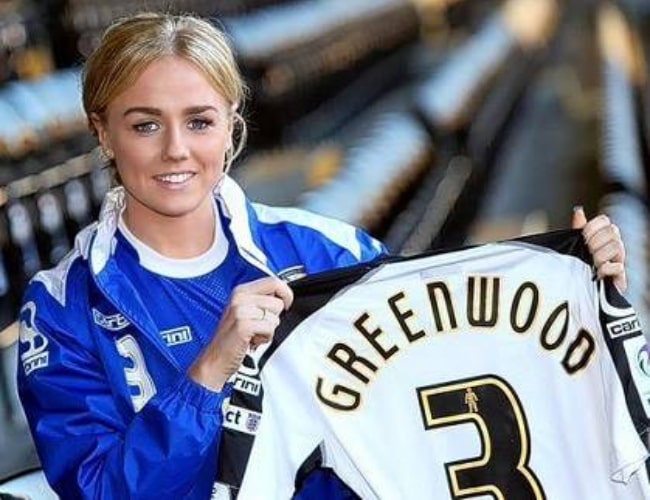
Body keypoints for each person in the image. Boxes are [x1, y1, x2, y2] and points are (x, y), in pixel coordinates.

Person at [15, 12, 627, 500]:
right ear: (101, 131)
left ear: (231, 125)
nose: (177, 150)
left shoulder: (327, 249)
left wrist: (576, 286)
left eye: (199, 121)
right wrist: (207, 375)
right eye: (145, 125)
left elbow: (453, 378)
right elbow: (100, 490)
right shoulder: (63, 308)